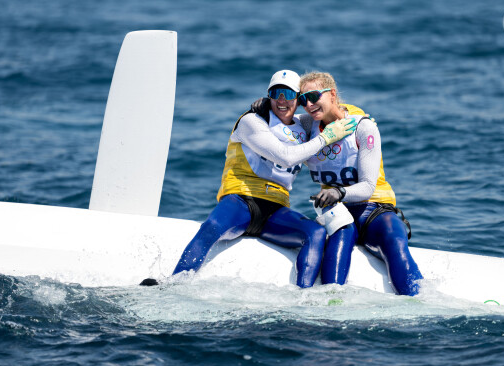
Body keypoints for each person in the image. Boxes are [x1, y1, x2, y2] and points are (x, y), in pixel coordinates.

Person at [145, 70, 357, 288]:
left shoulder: (303, 124)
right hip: (241, 201)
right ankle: (172, 284)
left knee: (316, 233)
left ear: (299, 100)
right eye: (275, 93)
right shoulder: (252, 121)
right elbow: (285, 157)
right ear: (268, 97)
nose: (281, 100)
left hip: (275, 209)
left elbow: (330, 111)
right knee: (213, 225)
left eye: (288, 94)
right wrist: (326, 137)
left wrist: (362, 120)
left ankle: (303, 297)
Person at [299, 71, 423, 295]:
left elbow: (367, 186)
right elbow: (279, 118)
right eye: (302, 99)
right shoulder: (307, 126)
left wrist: (338, 193)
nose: (308, 104)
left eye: (314, 96)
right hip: (339, 214)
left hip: (374, 209)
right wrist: (261, 108)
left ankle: (419, 301)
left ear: (332, 94)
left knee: (394, 238)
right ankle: (332, 304)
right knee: (339, 241)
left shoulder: (364, 127)